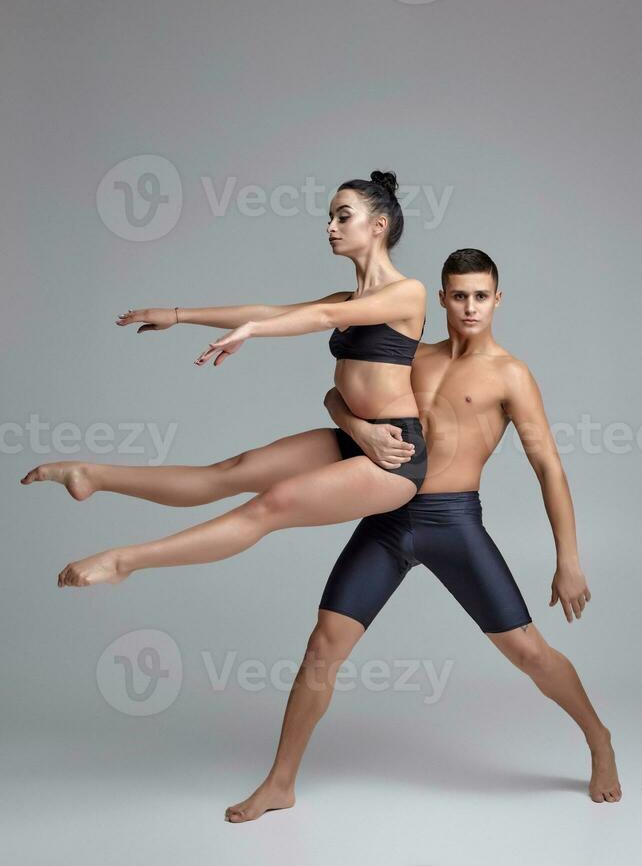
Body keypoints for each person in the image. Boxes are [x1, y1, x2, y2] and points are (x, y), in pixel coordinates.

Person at [221, 248, 621, 822]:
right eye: (459, 295)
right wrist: (359, 427)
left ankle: (598, 738)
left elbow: (548, 466)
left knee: (528, 652)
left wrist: (569, 559)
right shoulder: (416, 358)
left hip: (452, 522)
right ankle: (280, 782)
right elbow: (339, 397)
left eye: (481, 296)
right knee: (322, 647)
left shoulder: (509, 373)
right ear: (442, 299)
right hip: (387, 516)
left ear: (497, 299)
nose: (470, 307)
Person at [21, 171, 429, 586]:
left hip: (396, 456)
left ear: (378, 226)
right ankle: (92, 476)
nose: (330, 227)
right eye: (329, 217)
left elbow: (322, 318)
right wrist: (180, 316)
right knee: (231, 471)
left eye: (343, 217)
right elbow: (271, 311)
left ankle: (122, 562)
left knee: (270, 504)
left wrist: (251, 332)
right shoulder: (347, 299)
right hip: (353, 436)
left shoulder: (408, 292)